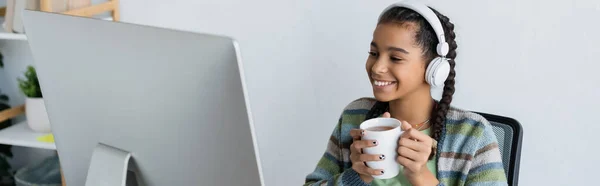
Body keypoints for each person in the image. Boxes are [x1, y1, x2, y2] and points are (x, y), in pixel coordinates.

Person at [304, 1, 508, 186]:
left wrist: (423, 179)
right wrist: (356, 176)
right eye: (374, 54)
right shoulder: (355, 116)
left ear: (434, 69)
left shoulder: (473, 134)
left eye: (395, 58)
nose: (377, 68)